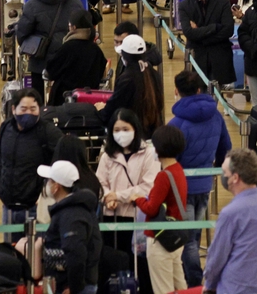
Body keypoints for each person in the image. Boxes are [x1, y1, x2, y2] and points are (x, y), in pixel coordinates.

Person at [168, 71, 232, 286]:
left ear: (176, 91)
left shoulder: (175, 124)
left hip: (181, 188)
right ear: (199, 89)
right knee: (193, 235)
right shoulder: (216, 116)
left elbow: (170, 160)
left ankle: (195, 282)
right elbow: (225, 148)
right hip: (205, 183)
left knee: (187, 240)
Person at [203, 149, 257, 294]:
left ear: (235, 178)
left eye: (224, 172)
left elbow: (216, 259)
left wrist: (209, 285)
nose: (222, 176)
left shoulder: (231, 213)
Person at [0, 88, 63, 231]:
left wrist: (47, 188)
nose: (28, 113)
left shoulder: (48, 132)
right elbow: (0, 153)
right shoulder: (6, 128)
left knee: (33, 250)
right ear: (14, 109)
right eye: (23, 108)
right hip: (8, 206)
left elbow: (64, 156)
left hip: (35, 207)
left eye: (33, 109)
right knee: (9, 250)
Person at [96, 109, 160, 257]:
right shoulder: (107, 155)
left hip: (138, 216)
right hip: (111, 216)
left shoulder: (148, 153)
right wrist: (107, 197)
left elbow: (148, 186)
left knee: (136, 261)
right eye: (117, 130)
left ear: (135, 129)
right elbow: (100, 182)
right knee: (113, 258)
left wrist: (117, 196)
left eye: (126, 129)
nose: (121, 134)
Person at [132, 125, 188, 294]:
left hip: (160, 240)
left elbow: (151, 208)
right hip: (176, 237)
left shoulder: (163, 176)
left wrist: (137, 198)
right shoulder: (178, 170)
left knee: (163, 289)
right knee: (181, 287)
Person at [15, 0, 82, 98]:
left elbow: (22, 32)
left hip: (40, 57)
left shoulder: (32, 4)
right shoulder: (75, 2)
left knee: (37, 96)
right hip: (68, 57)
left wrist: (27, 47)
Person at [37, 160, 103, 294]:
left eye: (49, 180)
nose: (47, 184)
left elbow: (75, 254)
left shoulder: (71, 214)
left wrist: (72, 287)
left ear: (57, 186)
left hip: (74, 288)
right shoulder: (70, 210)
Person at [179, 0, 236, 86]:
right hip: (198, 57)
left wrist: (200, 33)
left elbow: (228, 30)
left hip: (219, 56)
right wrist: (215, 27)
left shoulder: (222, 0)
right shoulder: (185, 5)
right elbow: (188, 32)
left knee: (217, 95)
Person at [99, 34, 164, 135]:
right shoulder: (153, 73)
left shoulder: (127, 79)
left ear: (124, 55)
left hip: (132, 134)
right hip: (153, 132)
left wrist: (100, 110)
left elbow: (112, 109)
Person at [46, 10, 106, 106]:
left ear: (74, 27)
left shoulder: (67, 48)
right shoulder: (96, 50)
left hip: (63, 100)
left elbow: (52, 71)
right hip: (88, 101)